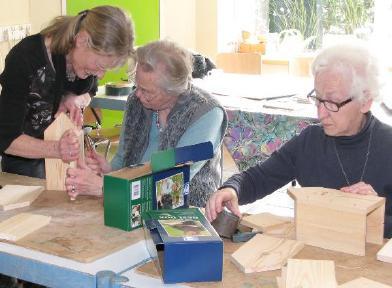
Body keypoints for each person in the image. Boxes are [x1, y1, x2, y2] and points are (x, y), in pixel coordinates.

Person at [206, 43, 392, 238]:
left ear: (366, 101)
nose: (321, 113)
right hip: (316, 253)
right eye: (318, 99)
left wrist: (376, 214)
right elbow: (258, 178)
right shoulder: (310, 142)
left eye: (331, 102)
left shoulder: (387, 145)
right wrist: (232, 189)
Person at [65, 40, 228, 207]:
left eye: (147, 91)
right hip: (131, 207)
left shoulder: (206, 114)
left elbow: (171, 190)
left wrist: (104, 187)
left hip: (186, 214)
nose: (138, 95)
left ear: (172, 90)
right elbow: (123, 161)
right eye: (137, 86)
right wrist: (107, 171)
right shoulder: (136, 102)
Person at [0, 5, 134, 179]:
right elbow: (6, 139)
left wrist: (75, 98)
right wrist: (57, 149)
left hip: (64, 157)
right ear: (82, 40)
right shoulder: (26, 58)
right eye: (100, 66)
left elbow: (90, 90)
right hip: (25, 162)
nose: (101, 74)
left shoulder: (84, 62)